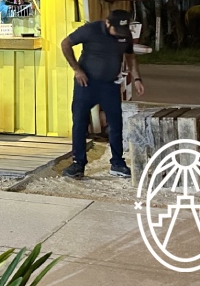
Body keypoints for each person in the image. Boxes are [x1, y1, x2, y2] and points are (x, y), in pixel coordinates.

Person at [59, 9, 145, 179]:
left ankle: (118, 163)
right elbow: (65, 44)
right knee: (79, 122)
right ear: (107, 23)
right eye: (115, 31)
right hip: (86, 83)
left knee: (115, 123)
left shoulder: (124, 34)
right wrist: (77, 70)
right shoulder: (90, 30)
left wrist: (137, 79)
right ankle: (78, 164)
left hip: (110, 84)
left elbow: (130, 56)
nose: (118, 35)